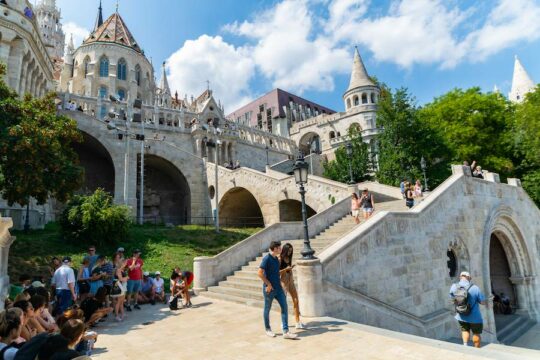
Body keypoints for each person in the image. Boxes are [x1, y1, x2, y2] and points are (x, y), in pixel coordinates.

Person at [257, 241, 297, 339]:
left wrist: (281, 286)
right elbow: (260, 273)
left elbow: (276, 274)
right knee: (267, 308)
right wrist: (268, 284)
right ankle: (268, 329)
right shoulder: (267, 259)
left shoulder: (276, 259)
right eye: (279, 248)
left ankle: (286, 331)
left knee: (284, 307)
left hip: (278, 288)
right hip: (269, 289)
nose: (281, 249)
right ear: (275, 248)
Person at [449, 271, 486, 348]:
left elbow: (452, 298)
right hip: (475, 317)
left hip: (461, 315)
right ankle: (476, 349)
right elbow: (482, 302)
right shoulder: (475, 288)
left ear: (460, 277)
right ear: (469, 278)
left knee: (465, 330)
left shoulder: (454, 286)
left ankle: (465, 346)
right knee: (476, 333)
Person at [279, 243, 305, 330]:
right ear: (285, 250)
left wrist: (290, 269)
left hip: (291, 280)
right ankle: (283, 323)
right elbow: (276, 272)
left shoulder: (289, 258)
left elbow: (288, 270)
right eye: (289, 251)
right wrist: (286, 269)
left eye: (291, 251)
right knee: (283, 303)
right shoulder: (280, 259)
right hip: (283, 282)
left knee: (296, 300)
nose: (290, 253)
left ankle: (297, 322)